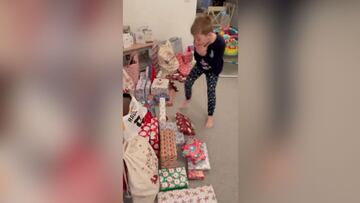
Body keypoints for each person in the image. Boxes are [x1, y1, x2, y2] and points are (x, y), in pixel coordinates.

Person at [181, 14, 226, 128]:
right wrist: (199, 53)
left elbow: (215, 64)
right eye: (194, 38)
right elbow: (196, 57)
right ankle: (188, 98)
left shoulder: (219, 43)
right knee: (188, 81)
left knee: (211, 91)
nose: (196, 41)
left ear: (209, 35)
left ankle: (210, 115)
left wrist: (204, 54)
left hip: (213, 70)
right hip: (201, 65)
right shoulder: (198, 38)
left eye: (198, 39)